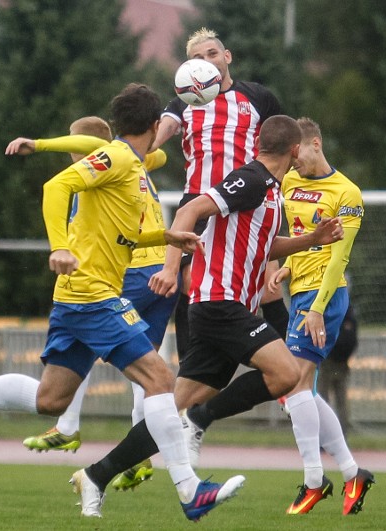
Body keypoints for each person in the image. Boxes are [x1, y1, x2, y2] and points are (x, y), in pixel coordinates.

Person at [0, 84, 244, 522]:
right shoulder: (120, 157)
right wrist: (59, 246)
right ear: (152, 125)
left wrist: (164, 236)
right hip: (92, 295)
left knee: (51, 399)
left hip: (80, 297)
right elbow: (55, 186)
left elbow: (119, 234)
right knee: (160, 379)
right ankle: (189, 490)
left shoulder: (134, 166)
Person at [75, 115, 344, 498]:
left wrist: (311, 239)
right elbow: (190, 211)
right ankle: (201, 419)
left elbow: (262, 248)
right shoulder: (251, 180)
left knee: (171, 410)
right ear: (294, 149)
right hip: (220, 303)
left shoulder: (270, 190)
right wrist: (171, 268)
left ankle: (97, 475)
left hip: (225, 308)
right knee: (288, 373)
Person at [6, 115, 175, 491]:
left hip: (131, 273)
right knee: (149, 373)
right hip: (158, 269)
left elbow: (91, 147)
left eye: (72, 144)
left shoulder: (109, 159)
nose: (71, 151)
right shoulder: (139, 160)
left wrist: (40, 143)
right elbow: (156, 154)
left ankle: (67, 427)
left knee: (100, 344)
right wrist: (159, 133)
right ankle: (141, 456)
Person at [152, 28, 290, 363]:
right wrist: (144, 150)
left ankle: (296, 373)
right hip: (198, 204)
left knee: (268, 288)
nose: (206, 61)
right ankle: (190, 369)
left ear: (226, 57)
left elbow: (282, 144)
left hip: (248, 200)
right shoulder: (183, 99)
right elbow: (162, 131)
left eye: (212, 54)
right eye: (197, 58)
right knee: (189, 283)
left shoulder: (257, 97)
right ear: (188, 67)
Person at [266, 117, 373, 515]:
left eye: (299, 154)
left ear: (315, 142)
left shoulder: (347, 193)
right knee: (299, 392)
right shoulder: (290, 184)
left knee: (291, 387)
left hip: (324, 299)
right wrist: (289, 268)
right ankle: (351, 472)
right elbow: (303, 238)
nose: (295, 163)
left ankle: (314, 480)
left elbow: (337, 257)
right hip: (300, 295)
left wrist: (315, 308)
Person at [319, 302, 358, 430]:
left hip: (328, 360)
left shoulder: (328, 306)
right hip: (342, 363)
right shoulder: (349, 311)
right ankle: (342, 436)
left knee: (322, 399)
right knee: (341, 402)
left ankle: (325, 436)